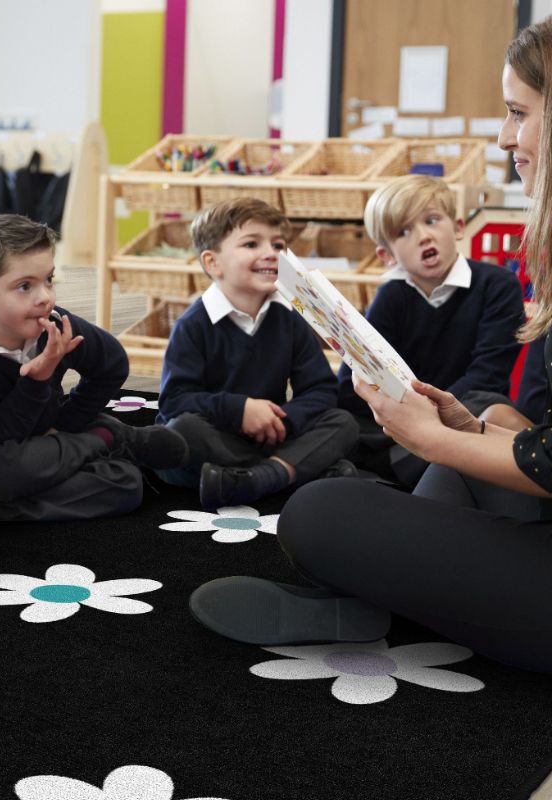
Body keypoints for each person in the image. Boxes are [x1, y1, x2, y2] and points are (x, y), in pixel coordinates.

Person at [189, 17, 552, 673]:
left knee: (323, 512)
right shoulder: (392, 294)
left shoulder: (493, 286)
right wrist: (476, 431)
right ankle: (364, 599)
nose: (504, 136)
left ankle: (363, 599)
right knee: (456, 453)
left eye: (517, 113)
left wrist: (438, 438)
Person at [0, 213, 188, 522]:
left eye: (48, 280)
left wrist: (67, 422)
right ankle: (105, 438)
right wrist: (38, 380)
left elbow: (112, 363)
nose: (45, 297)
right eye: (24, 286)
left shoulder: (54, 323)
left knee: (126, 487)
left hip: (42, 438)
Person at [156, 197, 359, 511]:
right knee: (180, 433)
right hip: (217, 435)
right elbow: (175, 401)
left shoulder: (291, 319)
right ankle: (289, 472)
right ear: (213, 263)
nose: (271, 254)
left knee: (342, 422)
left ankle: (253, 479)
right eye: (251, 244)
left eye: (278, 245)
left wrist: (284, 421)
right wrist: (240, 410)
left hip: (273, 435)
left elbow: (321, 390)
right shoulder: (192, 325)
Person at [337, 174, 526, 487]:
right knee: (338, 421)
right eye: (404, 231)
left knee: (488, 406)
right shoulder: (391, 295)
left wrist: (424, 417)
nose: (423, 236)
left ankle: (389, 470)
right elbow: (351, 383)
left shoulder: (497, 284)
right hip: (398, 425)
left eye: (432, 220)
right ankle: (396, 467)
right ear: (387, 256)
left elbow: (488, 374)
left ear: (458, 227)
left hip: (465, 416)